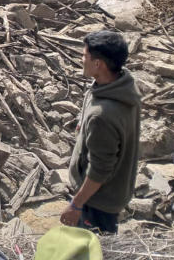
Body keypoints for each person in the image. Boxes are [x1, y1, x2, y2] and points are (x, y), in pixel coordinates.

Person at [62, 30, 141, 234]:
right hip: (113, 191)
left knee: (93, 250)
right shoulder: (122, 85)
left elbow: (100, 170)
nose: (81, 60)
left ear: (99, 64)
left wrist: (76, 204)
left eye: (84, 56)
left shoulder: (102, 116)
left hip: (97, 202)